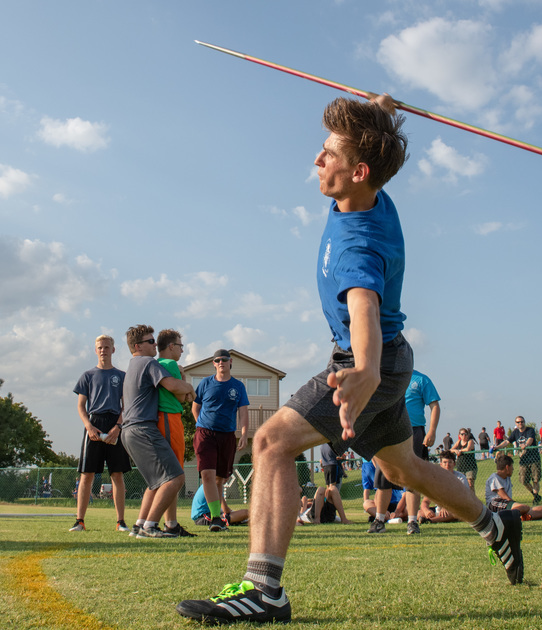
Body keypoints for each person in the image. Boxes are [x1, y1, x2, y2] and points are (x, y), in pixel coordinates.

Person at [177, 95, 523, 626]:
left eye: (327, 155)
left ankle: (264, 589)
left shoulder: (360, 245)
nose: (317, 160)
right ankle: (495, 525)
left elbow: (363, 306)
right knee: (402, 467)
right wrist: (376, 110)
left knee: (271, 442)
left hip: (369, 364)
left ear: (358, 171)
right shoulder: (370, 197)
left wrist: (362, 370)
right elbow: (367, 156)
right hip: (391, 362)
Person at [119, 324, 195, 538]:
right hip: (143, 427)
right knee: (175, 477)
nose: (155, 345)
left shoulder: (133, 364)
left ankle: (140, 524)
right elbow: (174, 387)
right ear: (138, 346)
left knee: (158, 481)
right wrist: (189, 388)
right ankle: (150, 526)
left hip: (130, 430)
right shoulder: (147, 362)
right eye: (150, 341)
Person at [71, 334, 130, 533]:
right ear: (95, 350)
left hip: (114, 423)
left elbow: (126, 405)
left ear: (113, 350)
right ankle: (80, 521)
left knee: (117, 474)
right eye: (100, 347)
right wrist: (88, 426)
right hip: (94, 423)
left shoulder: (122, 376)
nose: (103, 350)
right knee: (86, 475)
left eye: (106, 347)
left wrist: (118, 427)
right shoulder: (87, 375)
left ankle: (120, 522)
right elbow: (80, 405)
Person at [192, 349, 250, 531]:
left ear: (230, 362)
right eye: (217, 360)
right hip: (205, 434)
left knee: (219, 479)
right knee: (207, 474)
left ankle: (218, 516)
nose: (221, 362)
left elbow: (243, 412)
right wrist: (201, 425)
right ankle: (216, 518)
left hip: (227, 435)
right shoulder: (205, 383)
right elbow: (195, 407)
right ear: (214, 363)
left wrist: (244, 433)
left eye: (224, 359)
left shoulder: (238, 386)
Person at [399, 369, 441, 534]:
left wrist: (432, 431)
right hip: (392, 432)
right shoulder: (389, 376)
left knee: (413, 478)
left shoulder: (421, 379)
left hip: (415, 431)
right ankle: (379, 520)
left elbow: (435, 405)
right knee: (383, 479)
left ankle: (412, 521)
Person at [484, 455, 542, 521]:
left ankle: (520, 517)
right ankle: (504, 518)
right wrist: (520, 507)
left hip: (507, 505)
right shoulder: (494, 478)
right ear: (507, 467)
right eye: (512, 466)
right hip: (495, 504)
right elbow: (505, 497)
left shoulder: (507, 478)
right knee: (524, 508)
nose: (513, 469)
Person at [417, 450, 471, 523]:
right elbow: (425, 501)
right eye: (445, 462)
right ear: (441, 464)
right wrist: (426, 511)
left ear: (454, 464)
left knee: (453, 513)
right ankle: (430, 518)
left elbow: (463, 499)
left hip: (456, 508)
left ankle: (430, 521)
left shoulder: (460, 478)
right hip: (439, 509)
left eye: (450, 462)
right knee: (420, 513)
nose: (447, 465)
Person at [307, 442, 351, 524]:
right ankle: (342, 518)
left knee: (327, 488)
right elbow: (340, 456)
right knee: (330, 488)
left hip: (326, 465)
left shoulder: (323, 446)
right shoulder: (331, 445)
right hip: (332, 465)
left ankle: (343, 519)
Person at [501, 416, 542, 505]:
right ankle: (535, 495)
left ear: (524, 422)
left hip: (534, 458)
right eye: (518, 422)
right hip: (523, 460)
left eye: (522, 422)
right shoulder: (515, 432)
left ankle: (535, 498)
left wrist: (526, 445)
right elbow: (507, 442)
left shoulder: (530, 430)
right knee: (523, 480)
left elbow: (530, 439)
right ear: (516, 423)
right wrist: (497, 447)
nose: (520, 423)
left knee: (535, 479)